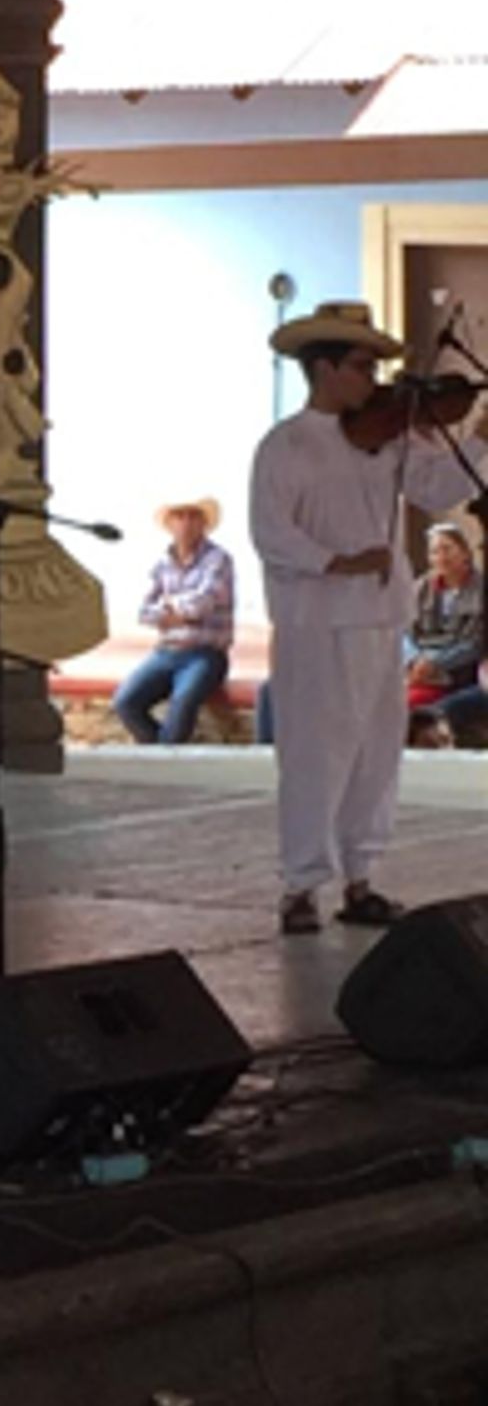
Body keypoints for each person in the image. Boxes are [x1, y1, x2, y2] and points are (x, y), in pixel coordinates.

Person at [252, 301, 488, 935]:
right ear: (325, 368)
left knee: (377, 754)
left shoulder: (388, 437)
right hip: (317, 622)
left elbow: (439, 487)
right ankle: (301, 886)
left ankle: (361, 880)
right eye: (363, 365)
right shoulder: (287, 444)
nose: (376, 378)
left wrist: (481, 438)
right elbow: (271, 533)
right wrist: (337, 560)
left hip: (382, 618)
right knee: (315, 754)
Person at [112, 496, 235, 744]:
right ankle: (162, 757)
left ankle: (163, 761)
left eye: (193, 516)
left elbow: (203, 603)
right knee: (125, 702)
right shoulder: (161, 564)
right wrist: (174, 612)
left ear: (204, 523)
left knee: (182, 704)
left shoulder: (219, 559)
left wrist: (169, 608)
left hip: (204, 655)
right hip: (166, 653)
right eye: (180, 516)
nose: (186, 523)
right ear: (169, 524)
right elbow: (144, 612)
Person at [403, 521, 483, 742]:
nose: (441, 557)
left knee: (415, 705)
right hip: (418, 668)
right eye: (435, 551)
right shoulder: (420, 589)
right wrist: (413, 660)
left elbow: (475, 643)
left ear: (465, 553)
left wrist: (434, 663)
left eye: (447, 549)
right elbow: (404, 631)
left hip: (456, 670)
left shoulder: (480, 591)